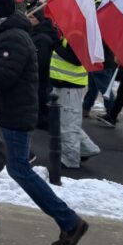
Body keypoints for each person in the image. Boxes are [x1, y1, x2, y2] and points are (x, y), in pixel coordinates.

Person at [0, 0, 89, 245]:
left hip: (13, 114)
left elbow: (2, 77)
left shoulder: (15, 38)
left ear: (0, 12)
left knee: (19, 169)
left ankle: (69, 221)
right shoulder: (3, 34)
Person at [49, 20, 101, 169]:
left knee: (68, 125)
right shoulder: (67, 36)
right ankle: (87, 148)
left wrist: (56, 46)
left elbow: (77, 60)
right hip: (63, 85)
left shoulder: (76, 35)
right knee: (67, 122)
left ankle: (70, 161)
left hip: (70, 87)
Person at [27, 4, 58, 130]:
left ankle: (44, 120)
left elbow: (43, 61)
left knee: (42, 98)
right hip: (37, 77)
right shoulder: (35, 33)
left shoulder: (43, 37)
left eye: (31, 17)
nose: (28, 20)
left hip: (42, 77)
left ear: (38, 19)